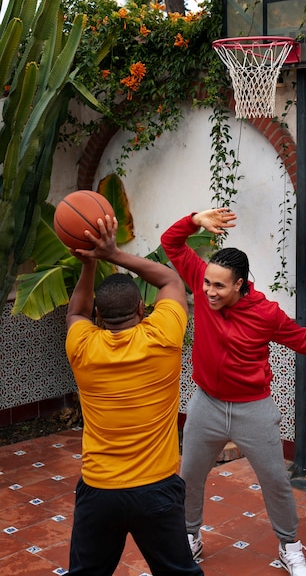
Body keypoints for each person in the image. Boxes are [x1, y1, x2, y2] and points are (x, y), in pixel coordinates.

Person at [161, 208, 306, 576]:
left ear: (240, 284)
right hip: (206, 404)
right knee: (189, 475)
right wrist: (194, 220)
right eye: (207, 283)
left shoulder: (266, 314)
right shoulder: (199, 280)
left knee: (274, 480)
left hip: (252, 409)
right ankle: (189, 537)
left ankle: (290, 546)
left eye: (219, 286)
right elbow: (170, 243)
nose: (208, 291)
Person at [65, 214, 204, 576]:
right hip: (155, 491)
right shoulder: (163, 336)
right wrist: (112, 253)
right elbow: (170, 279)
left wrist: (89, 264)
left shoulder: (82, 345)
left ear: (98, 316)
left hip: (99, 490)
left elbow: (76, 311)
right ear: (142, 310)